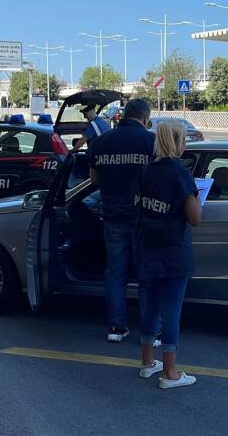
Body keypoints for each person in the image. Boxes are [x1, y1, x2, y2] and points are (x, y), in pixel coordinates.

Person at [136, 121, 202, 389]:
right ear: (177, 142)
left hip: (146, 247)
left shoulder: (147, 171)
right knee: (171, 312)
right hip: (173, 250)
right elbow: (194, 218)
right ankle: (170, 373)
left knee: (151, 307)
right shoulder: (181, 174)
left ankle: (148, 364)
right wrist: (199, 199)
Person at [87, 99, 155, 343]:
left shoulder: (101, 141)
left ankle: (116, 328)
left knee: (116, 272)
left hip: (112, 214)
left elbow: (94, 180)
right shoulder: (150, 141)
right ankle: (150, 330)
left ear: (124, 115)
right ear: (145, 117)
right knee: (146, 274)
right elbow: (160, 179)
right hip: (143, 216)